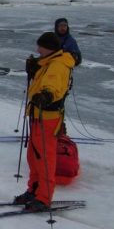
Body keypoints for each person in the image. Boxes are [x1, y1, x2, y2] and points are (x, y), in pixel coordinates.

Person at [14, 32, 74, 212]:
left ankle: (44, 198)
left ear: (49, 48)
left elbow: (53, 86)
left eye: (40, 46)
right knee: (34, 157)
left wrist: (46, 95)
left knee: (45, 159)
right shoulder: (48, 62)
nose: (37, 49)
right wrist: (34, 70)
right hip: (37, 115)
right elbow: (42, 80)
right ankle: (34, 190)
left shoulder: (58, 64)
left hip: (48, 118)